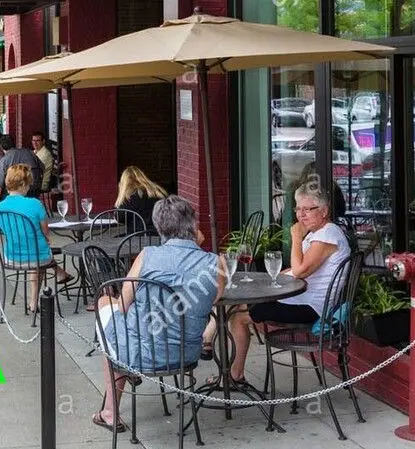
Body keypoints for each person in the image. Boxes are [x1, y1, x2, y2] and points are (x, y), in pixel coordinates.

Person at [93, 195, 227, 433]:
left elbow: (123, 305)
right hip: (187, 352)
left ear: (159, 227)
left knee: (106, 307)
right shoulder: (215, 262)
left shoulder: (148, 256)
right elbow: (214, 300)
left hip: (143, 352)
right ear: (194, 224)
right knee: (119, 327)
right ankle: (121, 367)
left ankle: (110, 411)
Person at [202, 183, 350, 385]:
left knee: (237, 318)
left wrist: (296, 238)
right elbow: (295, 271)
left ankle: (232, 374)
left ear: (324, 211)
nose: (301, 214)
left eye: (308, 209)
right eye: (298, 208)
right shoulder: (318, 234)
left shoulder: (327, 235)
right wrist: (273, 277)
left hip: (311, 308)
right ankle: (210, 343)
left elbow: (300, 270)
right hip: (299, 300)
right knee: (235, 306)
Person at [0, 164, 74, 311]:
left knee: (36, 249)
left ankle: (56, 278)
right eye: (29, 184)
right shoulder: (35, 203)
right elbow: (46, 232)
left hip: (11, 257)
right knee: (39, 254)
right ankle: (34, 300)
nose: (29, 187)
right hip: (37, 257)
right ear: (23, 184)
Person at [0, 134, 43, 213]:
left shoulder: (4, 161)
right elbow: (42, 167)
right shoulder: (29, 152)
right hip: (35, 191)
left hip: (17, 194)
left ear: (1, 148)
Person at [114, 166, 168, 233]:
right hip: (161, 232)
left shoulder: (132, 197)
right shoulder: (157, 191)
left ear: (124, 183)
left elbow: (120, 217)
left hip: (138, 235)